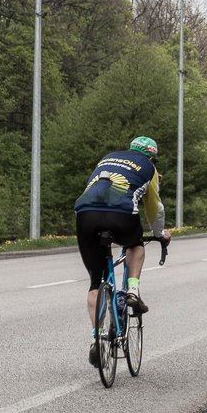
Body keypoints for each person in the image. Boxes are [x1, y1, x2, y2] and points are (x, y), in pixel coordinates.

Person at [74, 135, 171, 366]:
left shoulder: (108, 158)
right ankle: (133, 291)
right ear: (152, 156)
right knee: (135, 246)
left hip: (85, 214)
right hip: (121, 215)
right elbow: (154, 208)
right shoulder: (149, 168)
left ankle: (96, 339)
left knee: (95, 283)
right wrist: (159, 234)